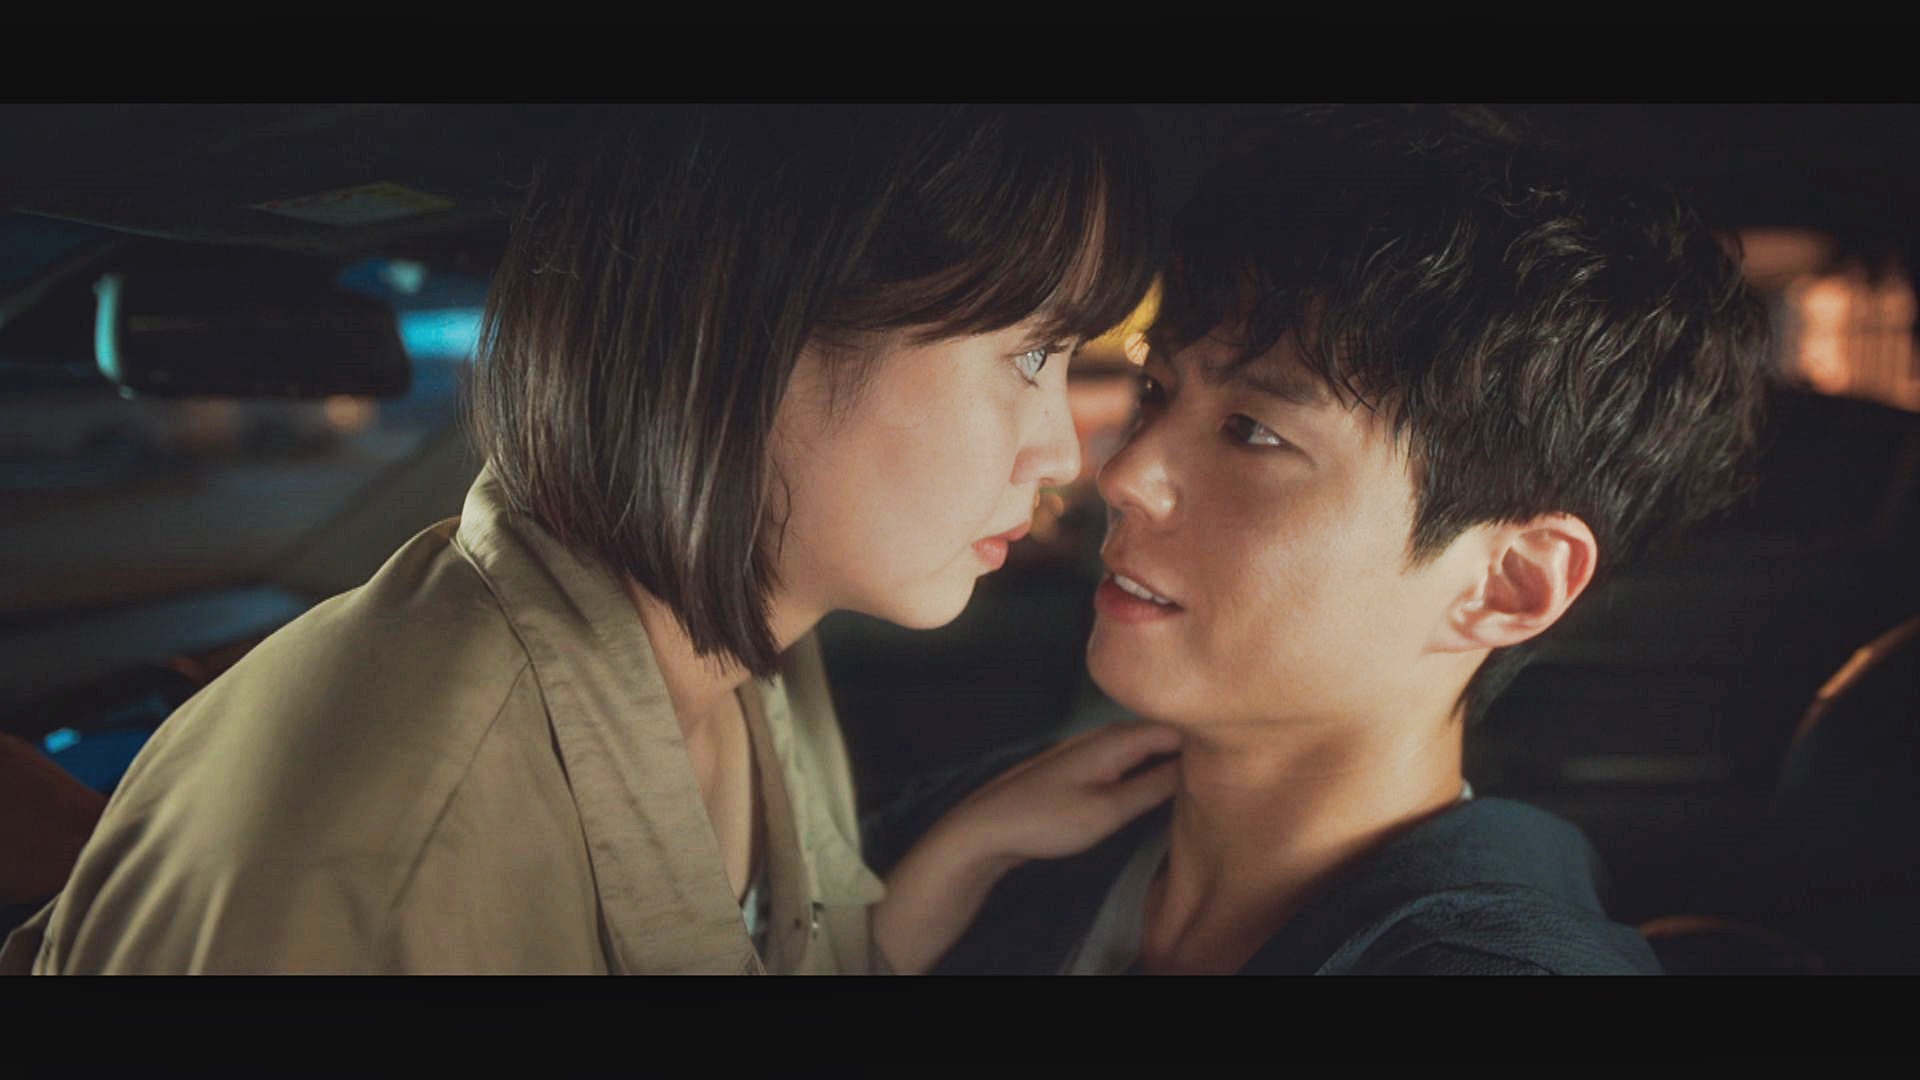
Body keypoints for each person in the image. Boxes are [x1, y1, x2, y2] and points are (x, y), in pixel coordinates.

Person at [0, 105, 1179, 974]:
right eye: (1029, 355)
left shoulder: (749, 657)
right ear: (746, 332)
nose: (1061, 454)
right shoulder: (383, 851)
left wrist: (959, 860)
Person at [936, 107, 1770, 975]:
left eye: (1254, 433)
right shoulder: (1002, 840)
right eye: (1156, 391)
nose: (1124, 474)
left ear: (1508, 585)